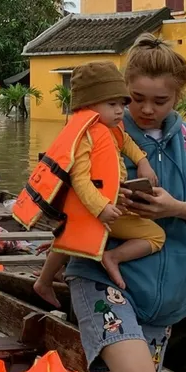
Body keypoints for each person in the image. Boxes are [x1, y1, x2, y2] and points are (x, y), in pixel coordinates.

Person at [65, 36, 186, 372]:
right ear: (123, 92)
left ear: (177, 97)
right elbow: (60, 197)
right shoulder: (100, 132)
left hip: (165, 292)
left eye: (161, 100)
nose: (147, 110)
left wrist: (173, 207)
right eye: (136, 99)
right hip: (103, 274)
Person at [31, 61, 161, 301]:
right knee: (156, 236)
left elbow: (127, 143)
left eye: (121, 104)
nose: (120, 111)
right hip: (94, 205)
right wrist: (101, 209)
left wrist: (143, 161)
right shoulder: (85, 137)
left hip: (102, 203)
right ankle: (109, 258)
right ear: (88, 106)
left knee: (66, 238)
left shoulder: (109, 128)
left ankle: (46, 280)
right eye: (112, 104)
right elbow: (80, 180)